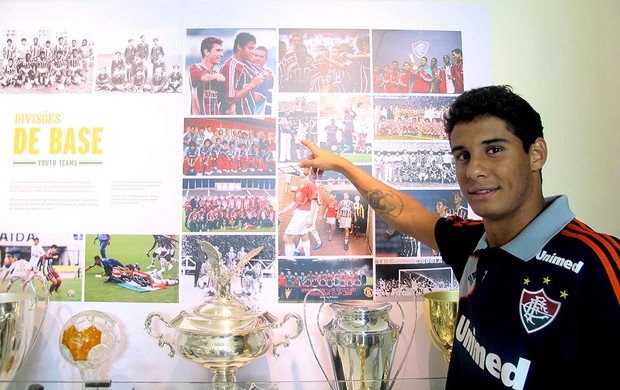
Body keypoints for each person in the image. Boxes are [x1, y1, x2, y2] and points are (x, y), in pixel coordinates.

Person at [298, 85, 620, 389]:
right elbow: (404, 213)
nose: (473, 170)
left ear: (536, 153)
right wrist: (342, 165)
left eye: (494, 150)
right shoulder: (473, 243)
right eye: (462, 155)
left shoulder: (597, 264)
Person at [219, 32, 265, 115]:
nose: (253, 52)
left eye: (254, 48)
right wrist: (253, 84)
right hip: (237, 115)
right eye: (250, 48)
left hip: (250, 112)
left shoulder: (247, 62)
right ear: (239, 47)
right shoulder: (230, 66)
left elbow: (266, 74)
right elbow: (229, 99)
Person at [278, 178, 318, 257]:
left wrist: (311, 218)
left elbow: (313, 202)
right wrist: (283, 211)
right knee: (303, 235)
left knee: (287, 238)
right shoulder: (300, 186)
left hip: (302, 213)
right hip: (300, 213)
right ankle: (307, 257)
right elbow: (294, 202)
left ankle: (291, 261)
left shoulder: (309, 184)